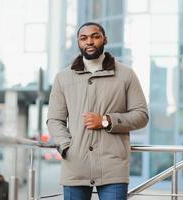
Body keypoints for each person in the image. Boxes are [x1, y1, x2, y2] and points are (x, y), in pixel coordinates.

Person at [47, 22, 149, 200]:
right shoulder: (63, 78)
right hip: (75, 166)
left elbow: (141, 115)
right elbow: (54, 119)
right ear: (78, 42)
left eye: (95, 36)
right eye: (83, 38)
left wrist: (106, 120)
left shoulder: (126, 75)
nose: (89, 42)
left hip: (113, 167)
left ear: (105, 39)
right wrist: (67, 147)